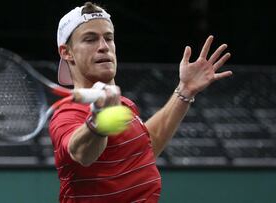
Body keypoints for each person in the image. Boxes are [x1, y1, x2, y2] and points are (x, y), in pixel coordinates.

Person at [49, 2, 232, 202]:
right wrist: (98, 121)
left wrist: (185, 90)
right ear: (67, 52)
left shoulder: (125, 104)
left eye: (108, 38)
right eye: (90, 39)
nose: (103, 47)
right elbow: (81, 152)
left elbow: (144, 149)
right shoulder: (66, 114)